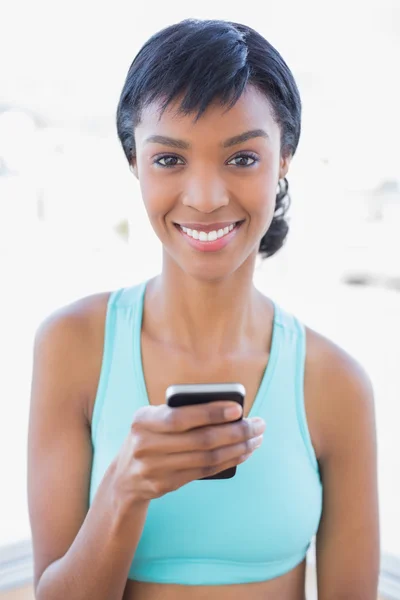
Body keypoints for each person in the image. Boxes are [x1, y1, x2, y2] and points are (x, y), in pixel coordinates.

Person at [27, 18, 380, 600]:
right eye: (169, 160)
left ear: (285, 158)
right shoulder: (72, 346)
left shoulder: (337, 384)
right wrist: (125, 488)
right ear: (134, 162)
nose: (207, 197)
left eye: (242, 158)